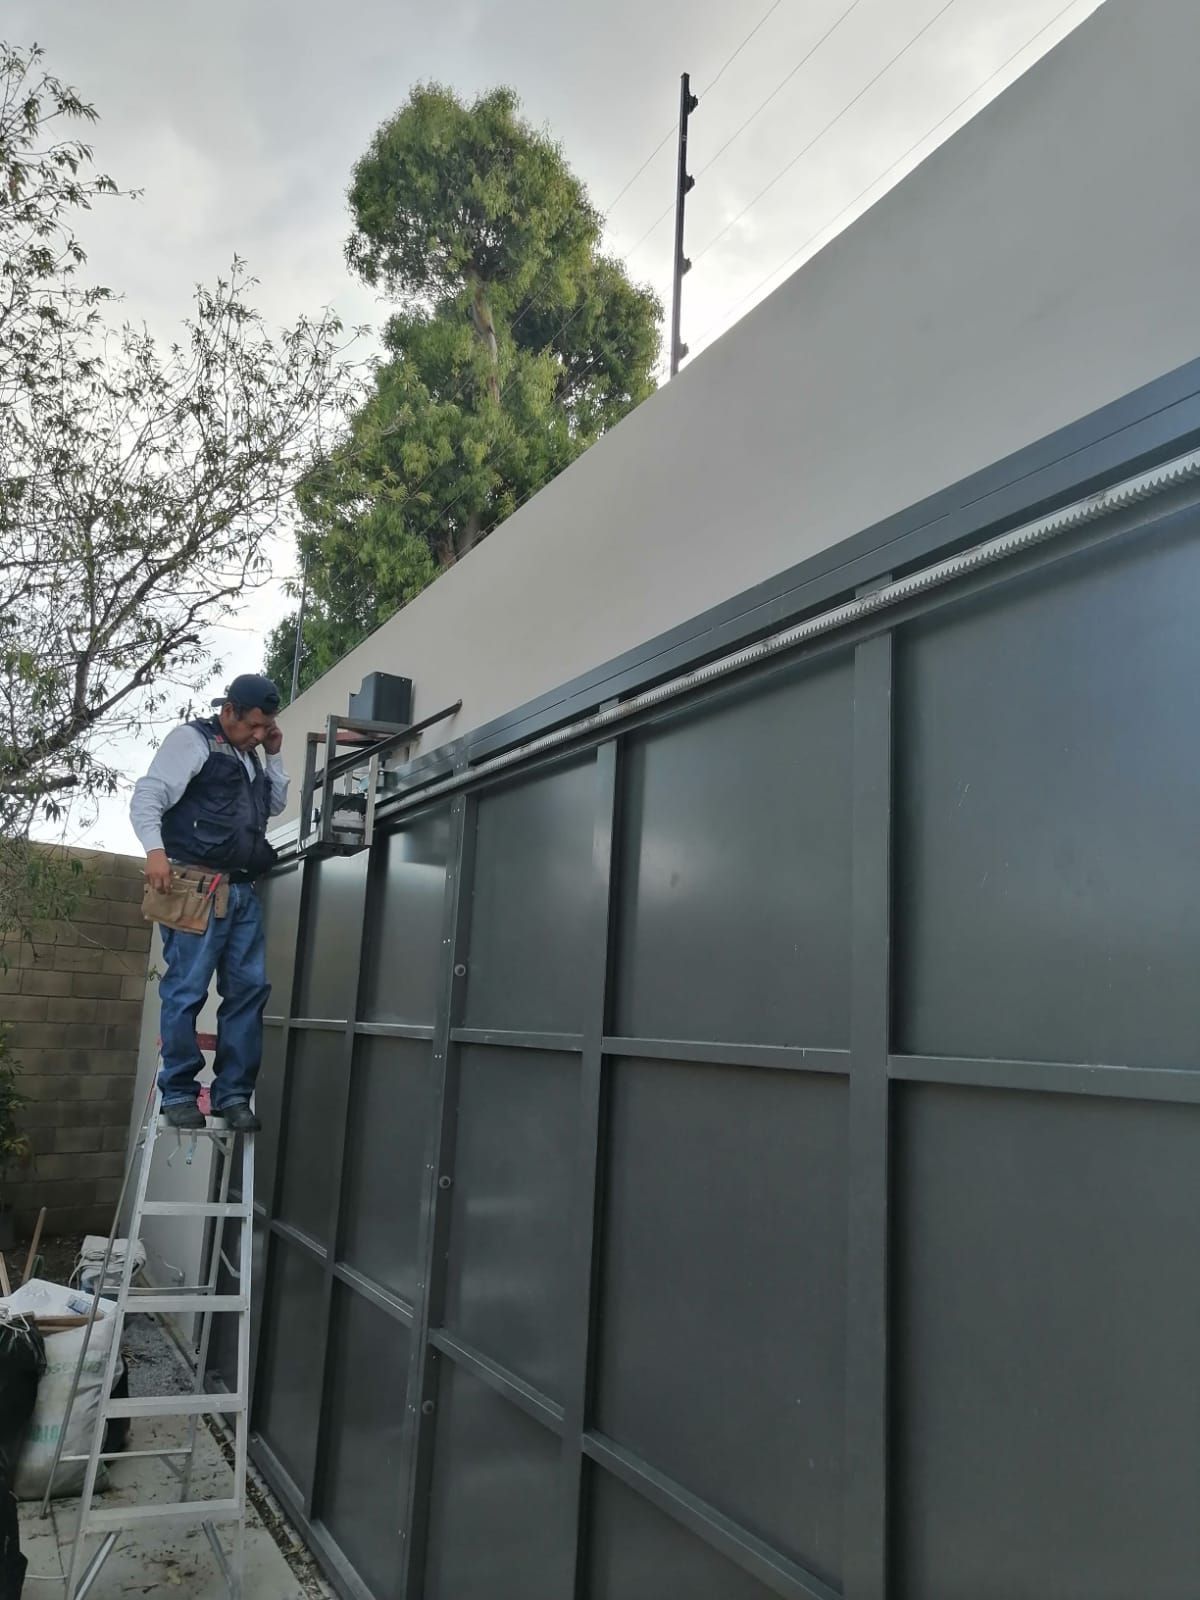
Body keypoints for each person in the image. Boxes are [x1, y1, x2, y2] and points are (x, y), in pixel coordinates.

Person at [130, 674, 290, 1132]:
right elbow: (148, 795)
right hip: (194, 886)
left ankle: (232, 1094)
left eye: (266, 728)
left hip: (241, 892)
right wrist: (155, 852)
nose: (259, 734)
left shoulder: (253, 757)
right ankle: (179, 1092)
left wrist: (274, 755)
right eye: (255, 726)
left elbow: (274, 805)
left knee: (248, 992)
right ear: (229, 712)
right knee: (186, 991)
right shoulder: (192, 741)